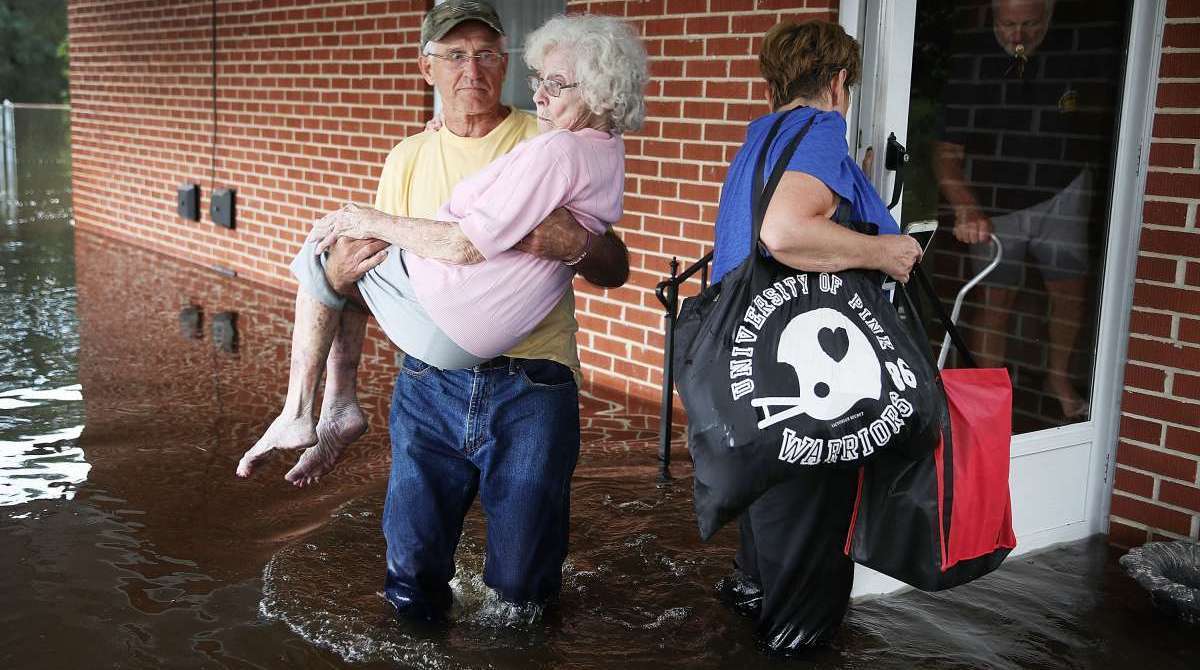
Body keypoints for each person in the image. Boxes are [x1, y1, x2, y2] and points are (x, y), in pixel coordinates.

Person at [239, 3, 641, 622]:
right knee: (411, 573)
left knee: (523, 587)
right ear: (426, 68)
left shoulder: (550, 136)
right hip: (429, 384)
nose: (472, 68)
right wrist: (347, 263)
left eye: (485, 53)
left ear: (505, 63)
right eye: (454, 54)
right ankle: (333, 411)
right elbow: (373, 275)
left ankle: (319, 411)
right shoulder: (408, 158)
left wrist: (581, 245)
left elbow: (616, 268)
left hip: (531, 381)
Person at [708, 20, 921, 651]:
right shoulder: (823, 131)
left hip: (747, 369)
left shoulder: (763, 138)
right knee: (807, 590)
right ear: (837, 82)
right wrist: (885, 253)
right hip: (808, 388)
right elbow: (785, 232)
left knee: (763, 563)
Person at [935, 0, 1116, 421]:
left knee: (1070, 290)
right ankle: (986, 399)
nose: (1018, 36)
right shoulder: (975, 62)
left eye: (1030, 24)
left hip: (1065, 189)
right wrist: (966, 209)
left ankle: (1057, 377)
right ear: (993, 17)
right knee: (995, 299)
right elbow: (945, 153)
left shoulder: (1076, 49)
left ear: (1050, 14)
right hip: (993, 201)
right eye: (1008, 24)